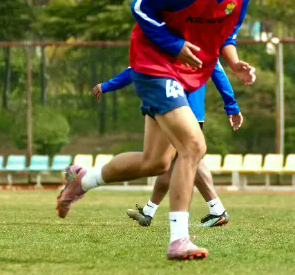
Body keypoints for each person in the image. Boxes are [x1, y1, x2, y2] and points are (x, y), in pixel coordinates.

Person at [58, 0, 275, 260]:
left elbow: (226, 32)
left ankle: (82, 180)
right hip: (153, 63)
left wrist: (234, 62)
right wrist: (174, 45)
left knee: (155, 162)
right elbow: (140, 6)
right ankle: (179, 239)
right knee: (193, 145)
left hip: (188, 72)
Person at [92, 62, 243, 228]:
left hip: (174, 110)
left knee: (167, 160)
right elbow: (218, 73)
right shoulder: (205, 42)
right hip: (195, 112)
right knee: (177, 162)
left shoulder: (167, 40)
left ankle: (216, 211)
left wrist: (107, 85)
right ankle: (149, 212)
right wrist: (231, 106)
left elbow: (138, 68)